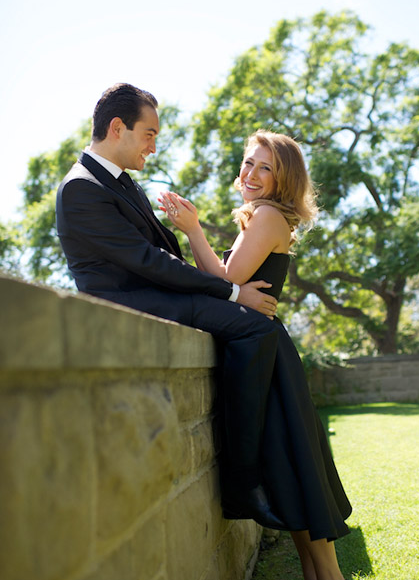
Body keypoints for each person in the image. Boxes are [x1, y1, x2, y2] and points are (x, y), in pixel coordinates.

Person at [56, 82, 288, 530]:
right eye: (149, 134)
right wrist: (233, 293)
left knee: (259, 331)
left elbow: (166, 258)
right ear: (117, 128)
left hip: (160, 296)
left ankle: (262, 462)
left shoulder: (121, 183)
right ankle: (244, 483)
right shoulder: (81, 188)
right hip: (133, 304)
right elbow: (149, 262)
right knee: (255, 328)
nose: (154, 146)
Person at [159, 130, 358, 580]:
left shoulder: (268, 216)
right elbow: (232, 286)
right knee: (287, 475)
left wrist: (193, 231)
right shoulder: (261, 216)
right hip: (263, 356)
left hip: (266, 360)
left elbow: (225, 276)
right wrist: (233, 288)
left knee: (295, 472)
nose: (250, 173)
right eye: (247, 163)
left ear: (282, 178)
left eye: (263, 167)